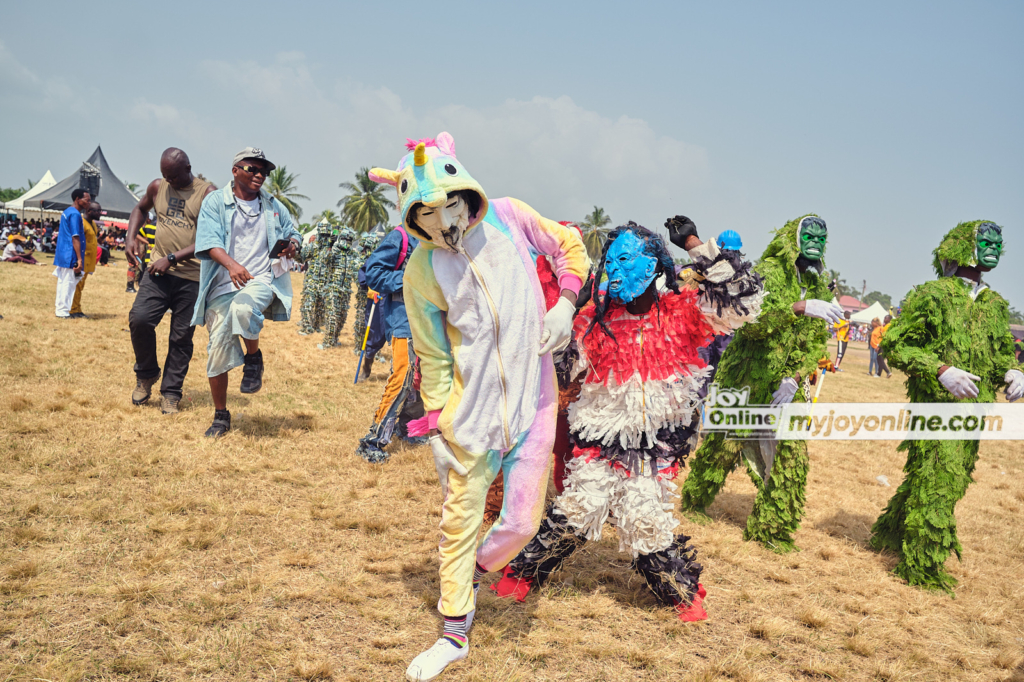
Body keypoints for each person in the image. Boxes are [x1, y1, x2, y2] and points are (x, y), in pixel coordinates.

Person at [368, 133, 589, 681]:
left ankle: (468, 572)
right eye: (430, 213)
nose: (446, 221)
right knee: (459, 522)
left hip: (535, 406)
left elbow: (571, 247)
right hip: (471, 415)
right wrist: (441, 423)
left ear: (467, 193)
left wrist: (564, 302)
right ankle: (454, 632)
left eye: (452, 205)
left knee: (519, 524)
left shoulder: (511, 218)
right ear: (413, 217)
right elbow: (432, 352)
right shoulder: (421, 269)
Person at [494, 219, 763, 621]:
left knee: (645, 521)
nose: (615, 272)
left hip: (655, 447)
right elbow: (557, 367)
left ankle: (680, 593)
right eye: (610, 263)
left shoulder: (686, 314)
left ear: (654, 266)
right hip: (598, 440)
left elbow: (742, 297)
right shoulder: (594, 323)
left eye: (625, 260)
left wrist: (692, 244)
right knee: (581, 506)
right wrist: (569, 308)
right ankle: (523, 572)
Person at [872, 220, 1023, 591]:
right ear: (962, 247)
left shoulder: (994, 303)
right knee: (941, 480)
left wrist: (1013, 370)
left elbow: (1002, 351)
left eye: (997, 243)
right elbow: (895, 346)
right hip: (936, 408)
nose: (993, 247)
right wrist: (940, 370)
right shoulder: (933, 294)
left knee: (937, 480)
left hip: (974, 413)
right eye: (984, 241)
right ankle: (921, 567)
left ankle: (890, 536)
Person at [681, 215, 843, 553]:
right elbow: (749, 321)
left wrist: (795, 377)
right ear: (792, 239)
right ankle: (695, 501)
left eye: (821, 237)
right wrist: (797, 308)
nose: (815, 242)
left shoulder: (818, 284)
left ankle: (772, 529)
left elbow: (816, 343)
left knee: (791, 455)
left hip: (788, 383)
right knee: (722, 447)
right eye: (808, 235)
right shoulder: (766, 272)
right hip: (746, 375)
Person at [191, 147, 301, 438]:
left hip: (262, 279)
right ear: (235, 170)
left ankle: (253, 358)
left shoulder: (274, 205)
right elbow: (208, 241)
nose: (260, 175)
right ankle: (221, 416)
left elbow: (295, 232)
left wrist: (293, 244)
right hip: (222, 284)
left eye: (264, 171)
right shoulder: (215, 202)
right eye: (253, 169)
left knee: (244, 308)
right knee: (217, 350)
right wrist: (231, 265)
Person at [126, 148, 216, 413]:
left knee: (180, 338)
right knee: (139, 319)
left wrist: (173, 257)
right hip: (157, 272)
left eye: (174, 176)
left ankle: (171, 392)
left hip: (192, 277)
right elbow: (139, 209)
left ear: (188, 168)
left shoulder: (207, 194)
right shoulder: (158, 186)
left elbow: (211, 238)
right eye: (165, 175)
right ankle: (146, 374)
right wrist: (131, 237)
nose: (169, 181)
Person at [355, 223, 426, 462]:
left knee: (421, 379)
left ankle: (408, 429)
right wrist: (409, 278)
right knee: (404, 376)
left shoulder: (440, 239)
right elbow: (373, 273)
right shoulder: (401, 237)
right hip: (404, 319)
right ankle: (373, 440)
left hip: (432, 323)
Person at [53, 188, 91, 318]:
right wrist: (79, 259)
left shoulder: (67, 211)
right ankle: (63, 311)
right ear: (77, 199)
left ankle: (60, 309)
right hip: (71, 254)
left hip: (64, 253)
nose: (89, 203)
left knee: (63, 282)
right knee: (68, 283)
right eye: (87, 200)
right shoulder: (75, 214)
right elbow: (75, 237)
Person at [319, 227, 358, 349]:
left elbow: (357, 268)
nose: (347, 241)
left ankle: (335, 339)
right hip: (333, 289)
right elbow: (325, 260)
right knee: (332, 316)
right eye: (345, 238)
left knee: (341, 317)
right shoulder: (335, 250)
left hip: (346, 290)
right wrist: (330, 245)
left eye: (349, 239)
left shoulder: (352, 253)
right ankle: (327, 342)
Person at [297, 221, 333, 335]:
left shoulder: (331, 248)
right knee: (309, 304)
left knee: (320, 306)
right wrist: (295, 251)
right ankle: (307, 327)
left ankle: (317, 326)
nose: (324, 237)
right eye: (322, 234)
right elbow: (301, 257)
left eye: (326, 235)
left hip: (324, 281)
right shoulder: (313, 246)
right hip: (312, 280)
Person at [69, 201, 101, 318]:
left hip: (89, 261)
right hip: (81, 259)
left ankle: (77, 308)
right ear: (89, 211)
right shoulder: (81, 222)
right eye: (97, 211)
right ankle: (72, 310)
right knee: (76, 285)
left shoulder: (92, 223)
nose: (100, 213)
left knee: (80, 286)